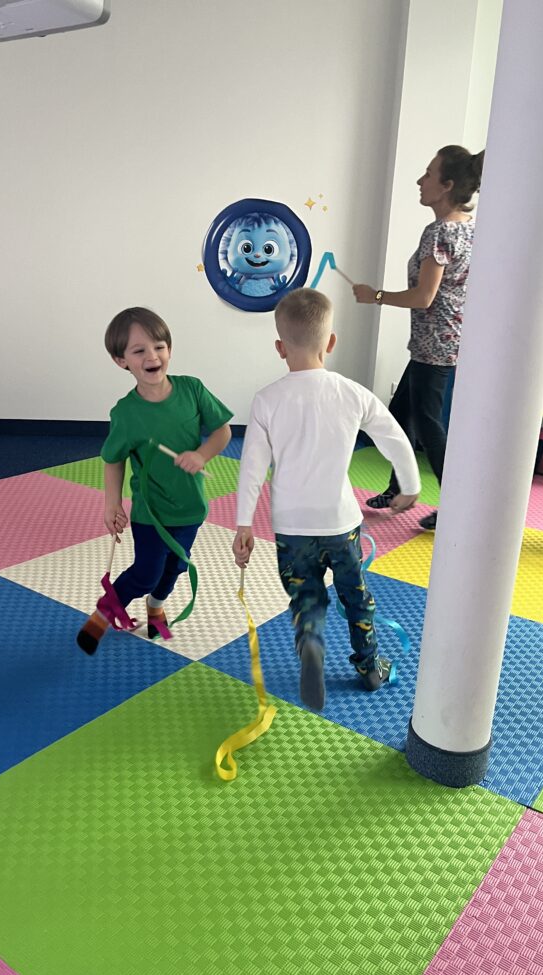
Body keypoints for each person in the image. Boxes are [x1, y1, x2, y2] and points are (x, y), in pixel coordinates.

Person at [232, 288, 420, 712]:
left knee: (307, 598)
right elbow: (395, 438)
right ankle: (369, 666)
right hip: (340, 523)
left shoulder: (267, 399)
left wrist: (243, 523)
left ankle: (312, 646)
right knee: (356, 596)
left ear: (280, 347)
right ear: (331, 342)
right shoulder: (352, 393)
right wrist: (408, 487)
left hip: (291, 528)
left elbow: (251, 468)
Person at [77, 307, 232, 653]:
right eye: (139, 350)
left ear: (169, 350)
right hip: (150, 512)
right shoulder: (125, 413)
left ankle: (156, 606)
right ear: (122, 361)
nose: (152, 356)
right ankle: (105, 612)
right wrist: (112, 504)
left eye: (159, 347)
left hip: (190, 507)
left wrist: (201, 455)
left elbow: (222, 431)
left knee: (175, 568)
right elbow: (113, 459)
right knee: (147, 572)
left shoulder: (192, 389)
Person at [353, 145, 484, 530]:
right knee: (401, 415)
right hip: (442, 342)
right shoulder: (469, 228)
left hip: (436, 348)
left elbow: (424, 297)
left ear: (447, 185)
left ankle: (455, 506)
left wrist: (375, 296)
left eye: (428, 174)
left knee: (428, 426)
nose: (419, 181)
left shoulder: (440, 232)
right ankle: (400, 488)